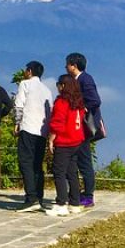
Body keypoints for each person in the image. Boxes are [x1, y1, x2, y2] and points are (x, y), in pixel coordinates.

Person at [13, 60, 52, 212]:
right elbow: (50, 111)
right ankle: (39, 196)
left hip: (28, 127)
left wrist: (17, 124)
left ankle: (31, 197)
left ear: (29, 71)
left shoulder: (25, 84)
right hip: (42, 131)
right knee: (37, 164)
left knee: (25, 162)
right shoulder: (47, 90)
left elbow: (19, 105)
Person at [46, 74, 86, 217]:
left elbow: (58, 122)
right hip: (76, 141)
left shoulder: (62, 102)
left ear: (63, 86)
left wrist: (51, 139)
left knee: (59, 172)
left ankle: (61, 203)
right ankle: (74, 203)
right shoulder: (78, 102)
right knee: (72, 172)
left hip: (64, 141)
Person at [65, 52, 101, 208]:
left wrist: (82, 109)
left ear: (74, 65)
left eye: (67, 64)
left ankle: (88, 195)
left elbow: (95, 100)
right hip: (78, 127)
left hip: (84, 128)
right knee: (77, 160)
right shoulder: (77, 80)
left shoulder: (85, 80)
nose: (66, 67)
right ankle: (78, 193)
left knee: (85, 161)